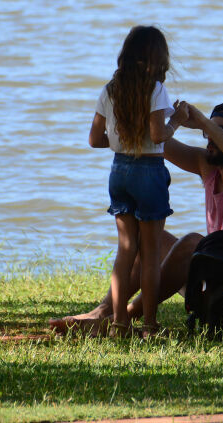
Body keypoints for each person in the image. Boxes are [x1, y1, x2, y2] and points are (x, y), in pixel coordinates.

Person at [49, 100, 223, 336]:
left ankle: (123, 318)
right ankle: (103, 311)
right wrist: (158, 109)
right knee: (152, 237)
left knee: (194, 242)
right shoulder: (208, 167)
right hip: (218, 284)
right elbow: (154, 141)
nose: (209, 138)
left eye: (220, 131)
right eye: (208, 132)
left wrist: (203, 121)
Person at [90, 25, 188, 337]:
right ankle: (148, 324)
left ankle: (118, 323)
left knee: (125, 250)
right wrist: (178, 120)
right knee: (149, 252)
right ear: (158, 58)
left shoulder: (109, 90)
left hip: (118, 172)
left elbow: (95, 139)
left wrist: (123, 143)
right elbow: (159, 135)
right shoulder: (156, 90)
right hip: (149, 171)